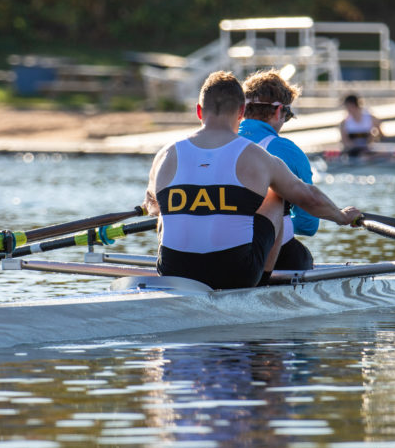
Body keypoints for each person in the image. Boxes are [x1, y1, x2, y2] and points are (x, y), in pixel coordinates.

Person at [144, 71, 361, 290]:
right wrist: (341, 216)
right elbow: (309, 198)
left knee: (164, 207)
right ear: (241, 112)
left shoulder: (164, 155)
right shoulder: (257, 156)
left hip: (172, 270)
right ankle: (262, 284)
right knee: (276, 196)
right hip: (236, 275)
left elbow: (152, 208)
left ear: (199, 111)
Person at [238, 69, 318, 270]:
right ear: (278, 111)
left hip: (217, 248)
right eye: (287, 115)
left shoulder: (218, 141)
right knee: (302, 255)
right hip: (270, 253)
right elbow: (308, 224)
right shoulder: (285, 150)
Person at [339, 93, 382, 157]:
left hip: (369, 151)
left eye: (348, 106)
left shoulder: (371, 119)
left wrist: (373, 138)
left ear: (354, 105)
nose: (347, 109)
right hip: (354, 152)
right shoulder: (344, 123)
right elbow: (345, 141)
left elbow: (380, 135)